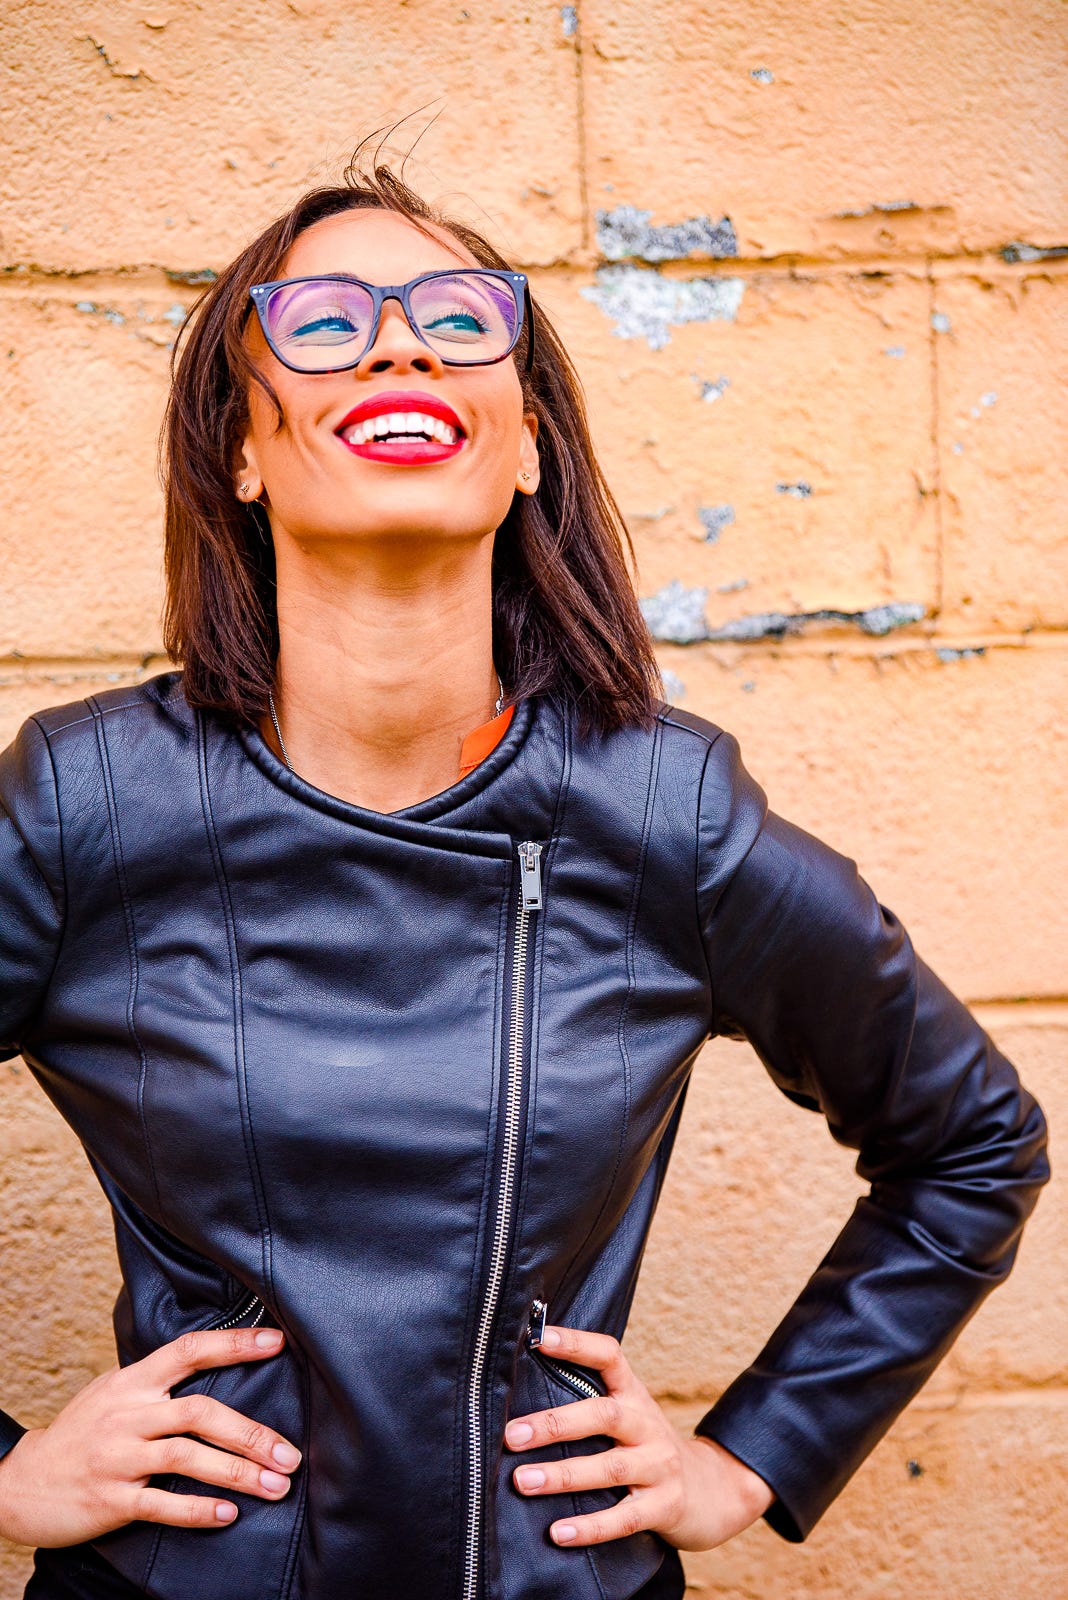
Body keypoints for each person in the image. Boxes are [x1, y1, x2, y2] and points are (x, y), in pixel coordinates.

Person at [0, 144, 1049, 1600]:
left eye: (456, 314)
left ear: (529, 440)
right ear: (240, 447)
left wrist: (747, 1456)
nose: (400, 341)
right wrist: (2, 1472)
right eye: (322, 323)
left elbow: (971, 1145)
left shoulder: (664, 810)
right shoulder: (89, 801)